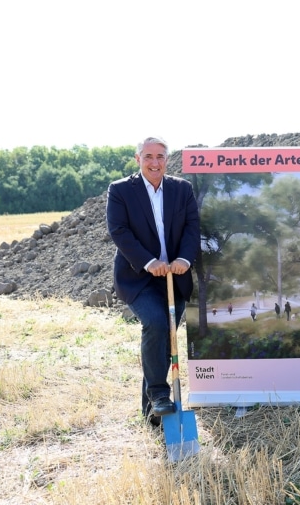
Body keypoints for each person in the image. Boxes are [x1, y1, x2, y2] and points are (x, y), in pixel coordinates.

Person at [106, 136, 200, 428]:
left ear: (166, 160)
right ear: (138, 159)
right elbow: (119, 231)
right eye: (148, 156)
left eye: (160, 156)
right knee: (157, 324)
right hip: (138, 277)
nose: (155, 162)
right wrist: (150, 262)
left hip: (176, 276)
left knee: (164, 337)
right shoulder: (121, 190)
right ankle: (160, 393)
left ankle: (152, 413)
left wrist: (184, 259)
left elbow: (191, 227)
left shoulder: (181, 189)